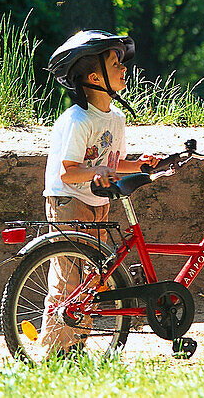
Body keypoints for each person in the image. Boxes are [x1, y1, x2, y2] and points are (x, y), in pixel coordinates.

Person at [37, 29, 160, 356]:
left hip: (97, 200)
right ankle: (53, 352)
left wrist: (141, 165)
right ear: (94, 77)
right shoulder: (79, 120)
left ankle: (75, 347)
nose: (123, 68)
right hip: (68, 201)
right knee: (68, 276)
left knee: (92, 276)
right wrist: (100, 172)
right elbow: (70, 171)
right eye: (115, 63)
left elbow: (113, 164)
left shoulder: (116, 119)